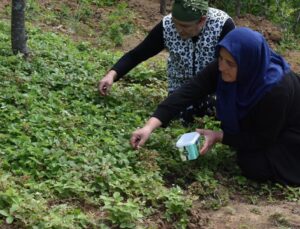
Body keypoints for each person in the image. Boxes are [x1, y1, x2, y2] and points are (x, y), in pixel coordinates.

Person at [130, 27, 300, 186]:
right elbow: (188, 91)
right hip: (265, 121)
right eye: (220, 58)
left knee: (252, 164)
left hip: (290, 130)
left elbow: (263, 138)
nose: (221, 67)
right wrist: (149, 126)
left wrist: (220, 136)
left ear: (249, 64)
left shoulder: (276, 90)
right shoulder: (225, 64)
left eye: (230, 64)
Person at [98, 0, 235, 124]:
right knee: (180, 118)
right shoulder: (168, 26)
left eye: (184, 26)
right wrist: (112, 74)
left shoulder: (222, 25)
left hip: (214, 91)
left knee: (220, 112)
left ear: (202, 20)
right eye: (175, 23)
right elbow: (137, 54)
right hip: (181, 92)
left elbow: (233, 66)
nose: (178, 29)